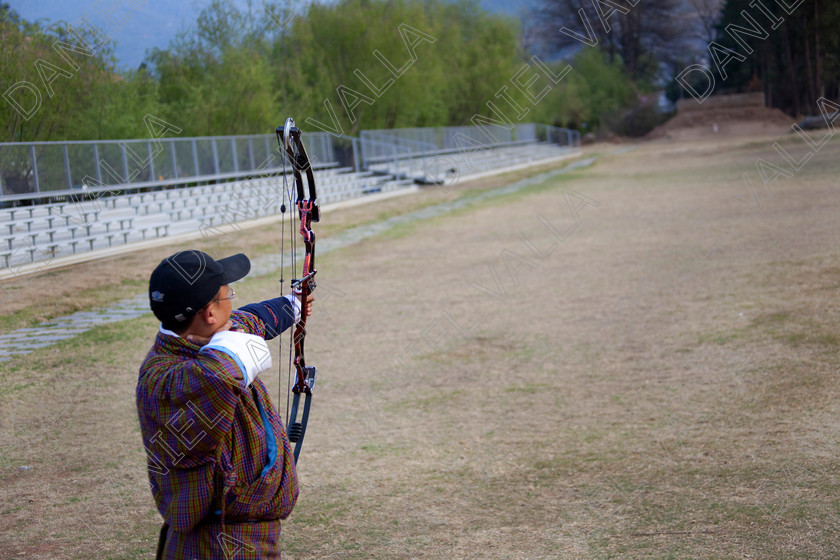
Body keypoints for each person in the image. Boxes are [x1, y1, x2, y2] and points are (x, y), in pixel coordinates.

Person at [136, 249, 313, 559]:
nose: (232, 300)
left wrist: (294, 304)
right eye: (227, 294)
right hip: (218, 545)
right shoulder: (164, 379)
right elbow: (217, 375)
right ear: (209, 314)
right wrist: (238, 349)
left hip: (242, 536)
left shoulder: (209, 335)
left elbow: (254, 319)